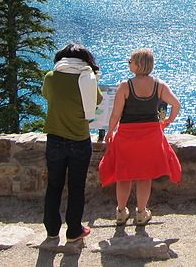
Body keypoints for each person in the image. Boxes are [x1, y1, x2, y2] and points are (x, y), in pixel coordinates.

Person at [98, 49, 181, 226]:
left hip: (127, 135)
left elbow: (115, 114)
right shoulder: (159, 85)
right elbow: (176, 104)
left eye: (131, 61)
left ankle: (121, 212)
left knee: (124, 175)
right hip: (150, 136)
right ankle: (141, 213)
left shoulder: (125, 86)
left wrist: (110, 131)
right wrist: (167, 121)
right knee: (144, 176)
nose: (129, 63)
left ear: (138, 64)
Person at [42, 43, 103, 242]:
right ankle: (74, 230)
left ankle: (52, 230)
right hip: (79, 139)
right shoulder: (88, 79)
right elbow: (98, 100)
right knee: (76, 188)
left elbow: (46, 96)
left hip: (55, 138)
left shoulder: (51, 78)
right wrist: (93, 80)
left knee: (54, 186)